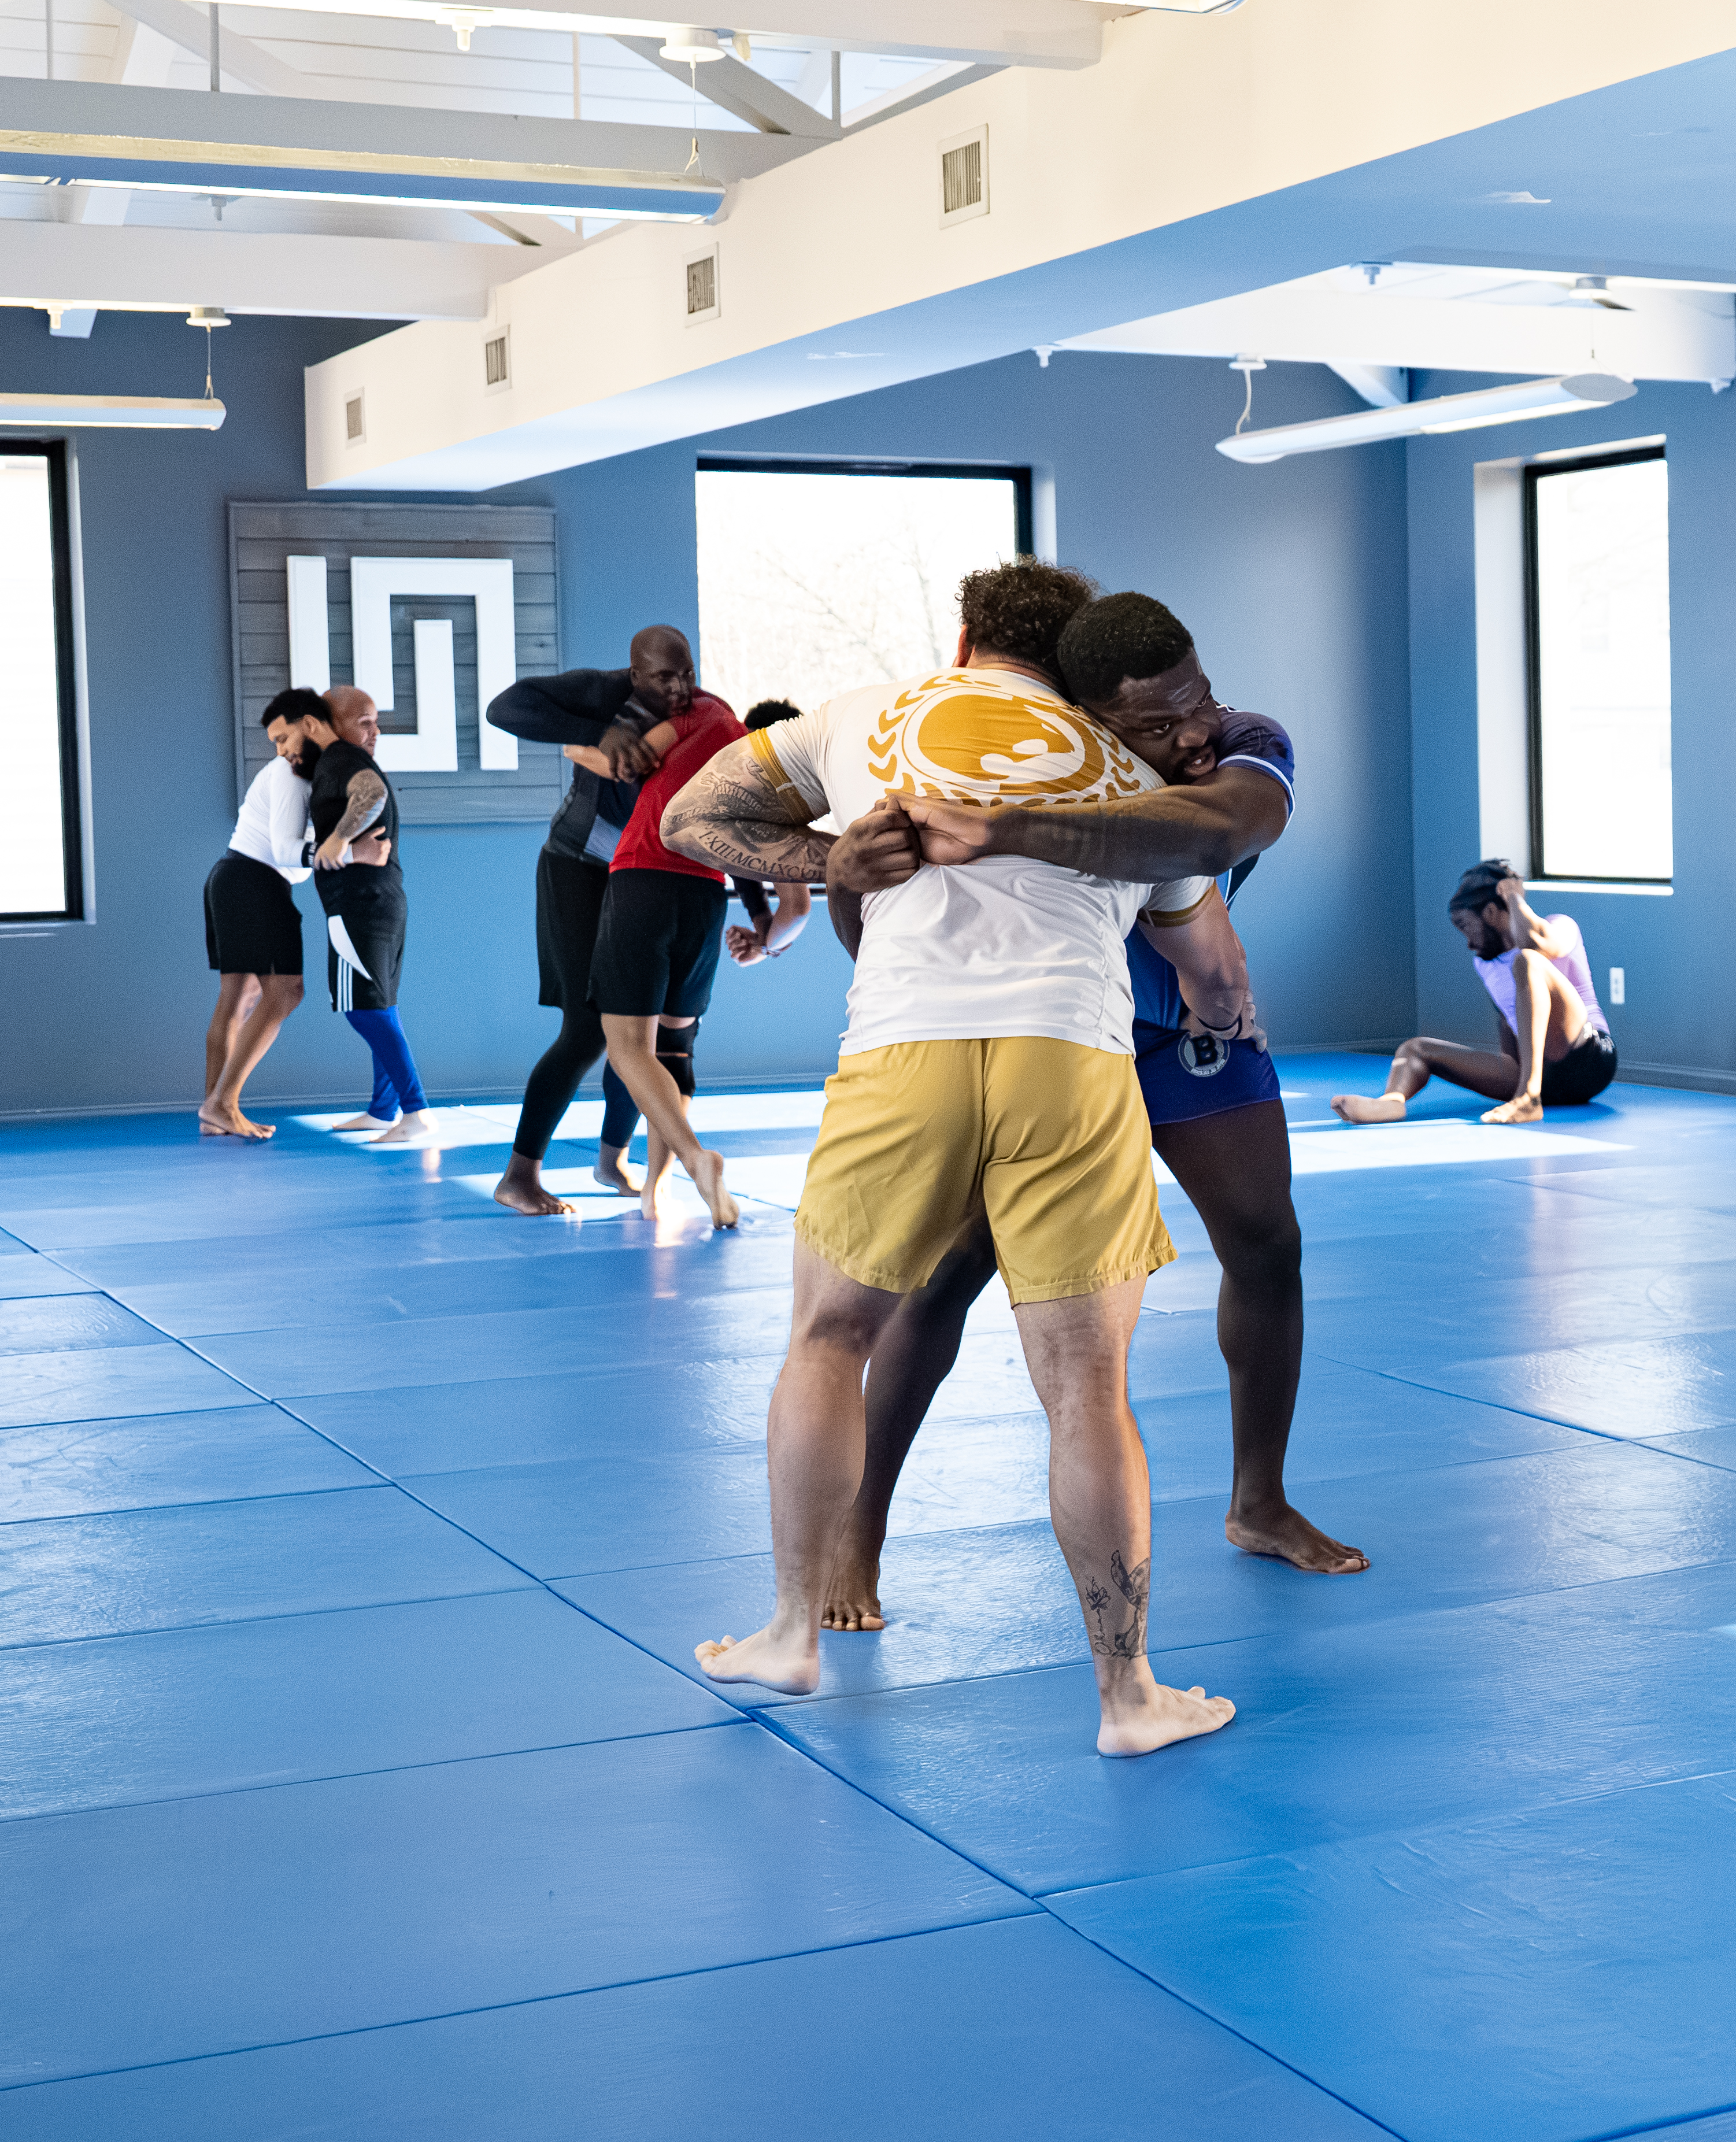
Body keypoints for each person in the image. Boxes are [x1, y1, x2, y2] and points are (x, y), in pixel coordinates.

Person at [647, 559, 1253, 1752]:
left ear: (965, 636)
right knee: (1086, 1387)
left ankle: (786, 1631)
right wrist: (1224, 1023)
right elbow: (1212, 966)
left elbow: (688, 820)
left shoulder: (861, 717)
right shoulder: (1127, 775)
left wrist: (831, 862)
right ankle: (1127, 1697)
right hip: (1068, 1063)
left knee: (827, 1340)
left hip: (902, 1054)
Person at [799, 590, 1366, 1618]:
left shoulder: (1239, 742)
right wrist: (846, 874)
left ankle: (1259, 1500)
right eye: (1155, 725)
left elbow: (1233, 821)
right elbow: (871, 912)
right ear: (1082, 717)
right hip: (1051, 1040)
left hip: (1188, 1030)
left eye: (1195, 703)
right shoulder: (1031, 752)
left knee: (1266, 1240)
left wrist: (1033, 827)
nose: (1192, 733)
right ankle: (859, 1532)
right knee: (946, 1276)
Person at [484, 626, 695, 1217]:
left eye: (687, 674)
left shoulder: (698, 714)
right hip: (576, 870)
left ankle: (611, 1160)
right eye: (663, 678)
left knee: (639, 1028)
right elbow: (506, 708)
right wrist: (596, 733)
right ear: (634, 676)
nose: (678, 689)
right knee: (586, 1030)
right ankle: (518, 1177)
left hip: (637, 877)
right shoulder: (603, 693)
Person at [585, 660, 753, 1229]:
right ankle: (655, 1192)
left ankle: (694, 1159)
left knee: (628, 1047)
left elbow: (622, 761)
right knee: (673, 1052)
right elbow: (794, 899)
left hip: (644, 880)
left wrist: (578, 744)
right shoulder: (753, 758)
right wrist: (765, 937)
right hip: (705, 894)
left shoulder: (699, 711)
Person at [1333, 865, 1618, 1123]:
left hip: (1588, 1059)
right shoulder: (1485, 962)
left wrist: (1514, 897)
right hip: (1543, 1076)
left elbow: (1533, 942)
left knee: (1528, 961)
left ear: (1492, 914)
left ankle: (1529, 1098)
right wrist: (1505, 1072)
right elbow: (1510, 1020)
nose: (1468, 942)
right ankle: (1390, 1104)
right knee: (1415, 1049)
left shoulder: (1560, 925)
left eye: (1466, 926)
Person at [199, 690, 327, 1140]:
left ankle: (215, 1112)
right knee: (285, 993)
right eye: (276, 741)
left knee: (239, 999)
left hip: (232, 877)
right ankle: (222, 1104)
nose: (281, 749)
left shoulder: (300, 772)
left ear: (308, 723)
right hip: (254, 882)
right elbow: (284, 851)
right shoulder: (290, 775)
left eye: (282, 737)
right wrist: (344, 852)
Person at [306, 683, 430, 1146]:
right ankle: (384, 1109)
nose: (375, 731)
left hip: (359, 905)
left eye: (375, 722)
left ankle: (415, 1110)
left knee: (362, 1010)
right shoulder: (344, 758)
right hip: (381, 902)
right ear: (330, 723)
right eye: (365, 723)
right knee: (381, 1006)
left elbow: (372, 793)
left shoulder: (341, 758)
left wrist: (338, 839)